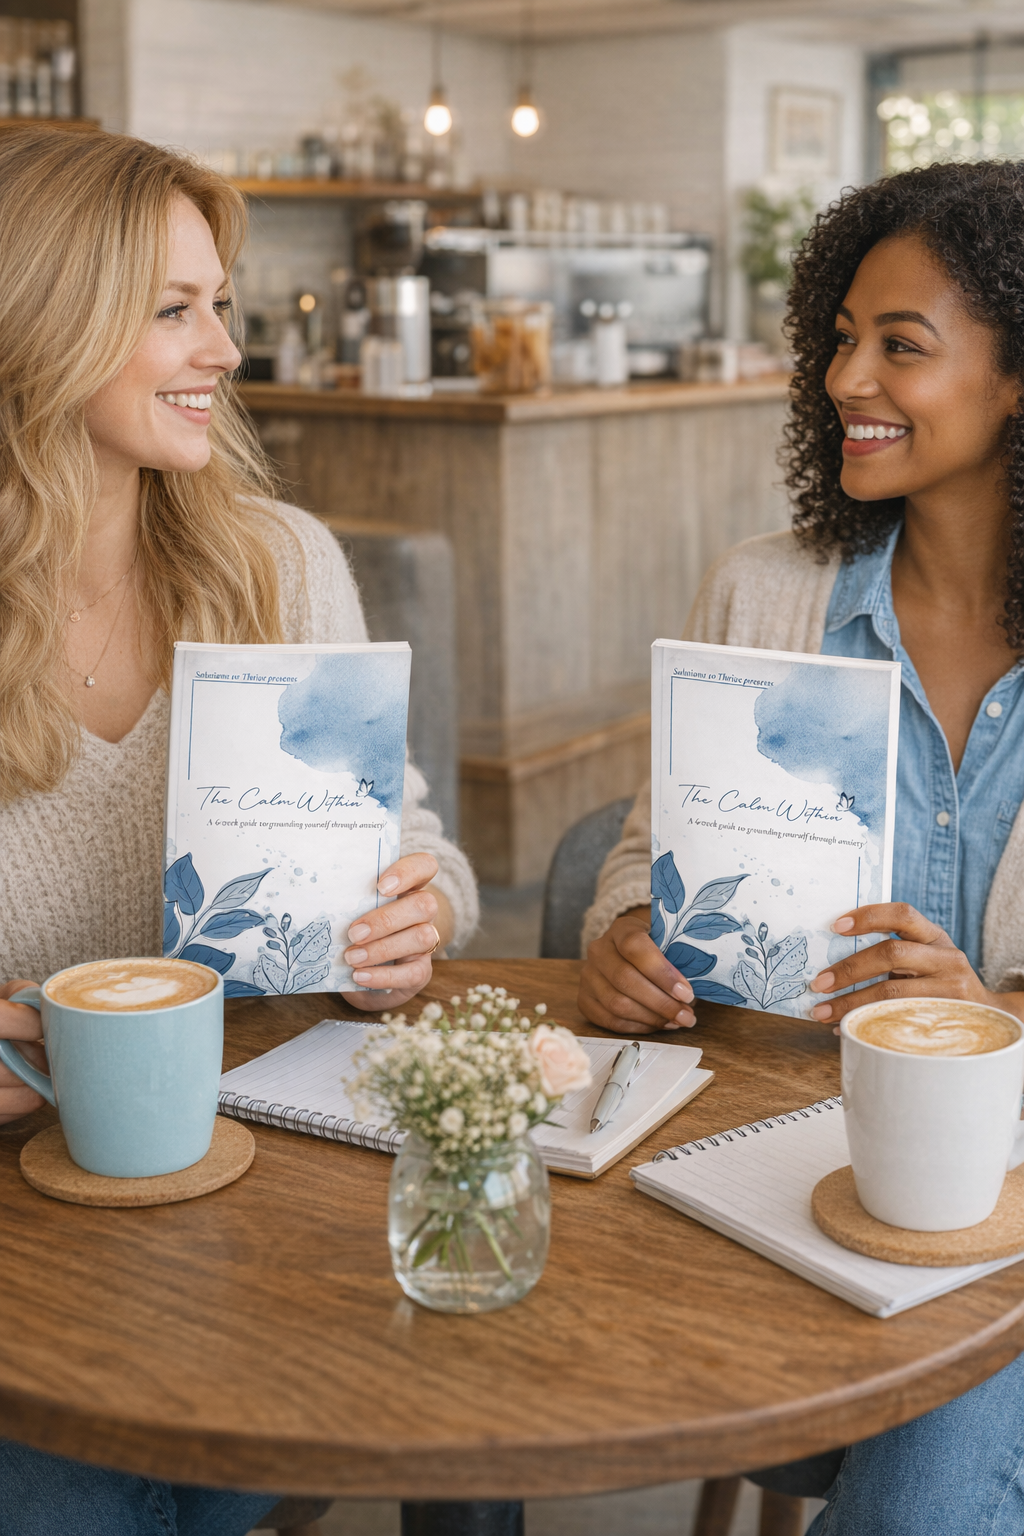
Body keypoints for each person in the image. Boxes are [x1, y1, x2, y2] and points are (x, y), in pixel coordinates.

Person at [0, 128, 478, 1535]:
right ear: (41, 315)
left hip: (258, 1196)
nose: (224, 347)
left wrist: (416, 918)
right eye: (173, 309)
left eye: (221, 304)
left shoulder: (276, 564)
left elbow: (421, 847)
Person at [579, 159, 1024, 1534]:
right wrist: (620, 947)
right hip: (765, 1156)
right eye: (841, 338)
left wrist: (989, 1023)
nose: (846, 380)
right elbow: (642, 854)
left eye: (903, 346)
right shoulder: (762, 592)